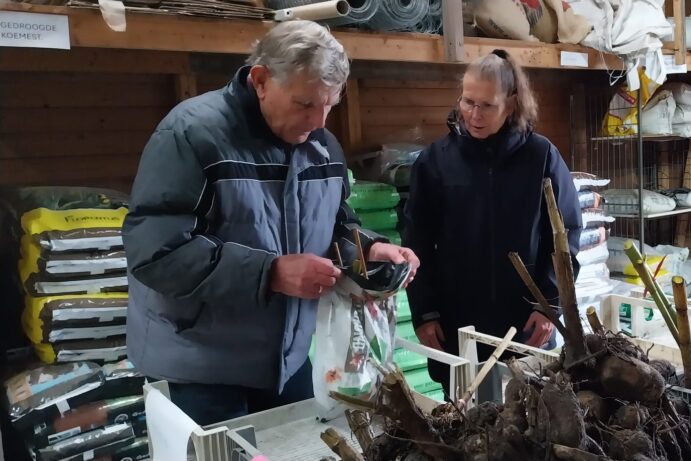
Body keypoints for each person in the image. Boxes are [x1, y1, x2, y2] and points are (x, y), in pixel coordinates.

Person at [123, 20, 419, 426]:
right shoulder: (191, 135)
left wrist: (369, 249)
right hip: (199, 369)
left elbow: (335, 223)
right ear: (261, 80)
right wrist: (271, 273)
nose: (319, 121)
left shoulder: (321, 145)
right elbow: (157, 254)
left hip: (285, 360)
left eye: (330, 105)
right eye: (305, 104)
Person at [403, 49, 582, 394]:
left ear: (511, 104)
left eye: (487, 105)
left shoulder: (541, 156)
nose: (474, 114)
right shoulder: (435, 161)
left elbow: (566, 234)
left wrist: (549, 304)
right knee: (462, 413)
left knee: (530, 412)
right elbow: (416, 241)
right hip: (457, 323)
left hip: (525, 322)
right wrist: (425, 313)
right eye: (468, 102)